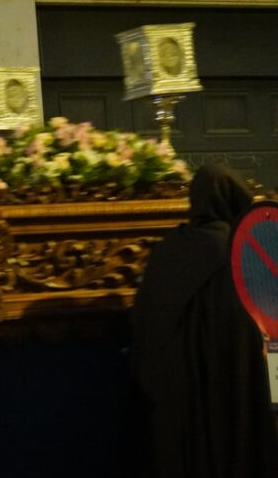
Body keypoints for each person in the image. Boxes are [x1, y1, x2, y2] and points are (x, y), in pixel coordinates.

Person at [130, 162, 278, 478]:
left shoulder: (167, 252)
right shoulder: (247, 253)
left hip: (179, 409)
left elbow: (144, 332)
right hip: (236, 399)